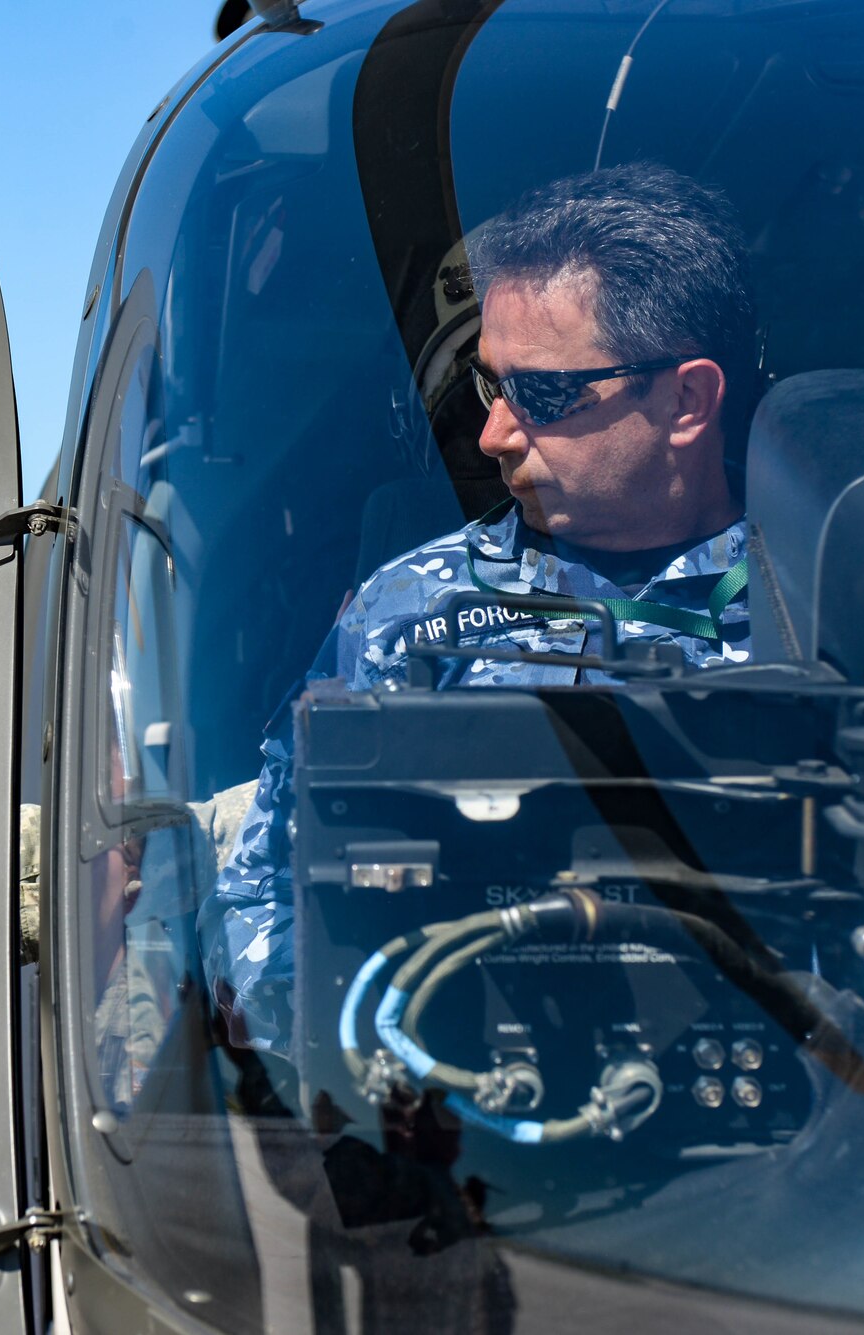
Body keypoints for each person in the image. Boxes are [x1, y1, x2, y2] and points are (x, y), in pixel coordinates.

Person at [200, 163, 757, 1049]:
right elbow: (265, 881)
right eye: (490, 385)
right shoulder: (406, 615)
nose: (493, 432)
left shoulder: (821, 593)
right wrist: (347, 1066)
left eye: (539, 393)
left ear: (686, 400)